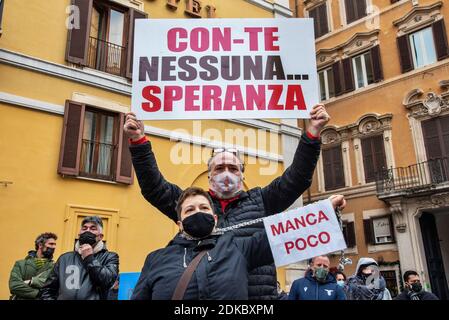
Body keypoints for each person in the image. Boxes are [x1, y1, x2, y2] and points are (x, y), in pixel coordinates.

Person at [125, 104, 332, 300]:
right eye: (219, 168)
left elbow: (296, 179)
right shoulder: (194, 205)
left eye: (233, 169)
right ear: (209, 176)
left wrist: (312, 134)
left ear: (242, 175)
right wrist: (138, 141)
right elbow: (155, 188)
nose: (226, 173)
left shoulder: (262, 200)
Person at [131, 187, 346, 300]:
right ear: (180, 223)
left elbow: (284, 234)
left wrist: (324, 211)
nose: (198, 212)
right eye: (190, 209)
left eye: (204, 208)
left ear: (215, 219)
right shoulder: (156, 259)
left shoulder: (238, 248)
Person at [39, 216, 119, 300]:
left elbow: (108, 282)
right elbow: (47, 290)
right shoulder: (64, 258)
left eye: (93, 228)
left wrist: (89, 258)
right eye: (84, 228)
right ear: (79, 234)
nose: (87, 231)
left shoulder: (110, 257)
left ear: (100, 236)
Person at [9, 232, 57, 300]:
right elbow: (14, 286)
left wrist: (32, 281)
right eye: (51, 244)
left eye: (55, 244)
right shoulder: (21, 264)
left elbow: (52, 285)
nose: (54, 247)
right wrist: (38, 293)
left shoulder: (55, 267)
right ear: (40, 245)